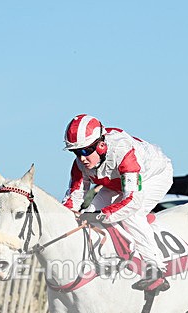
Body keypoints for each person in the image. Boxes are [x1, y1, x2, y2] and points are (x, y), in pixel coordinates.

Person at [62, 114, 173, 292]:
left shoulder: (123, 152)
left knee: (131, 214)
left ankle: (155, 268)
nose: (81, 158)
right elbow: (73, 199)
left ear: (101, 145)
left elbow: (132, 200)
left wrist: (103, 214)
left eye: (84, 151)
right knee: (89, 210)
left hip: (154, 176)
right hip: (116, 183)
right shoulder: (80, 164)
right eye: (76, 152)